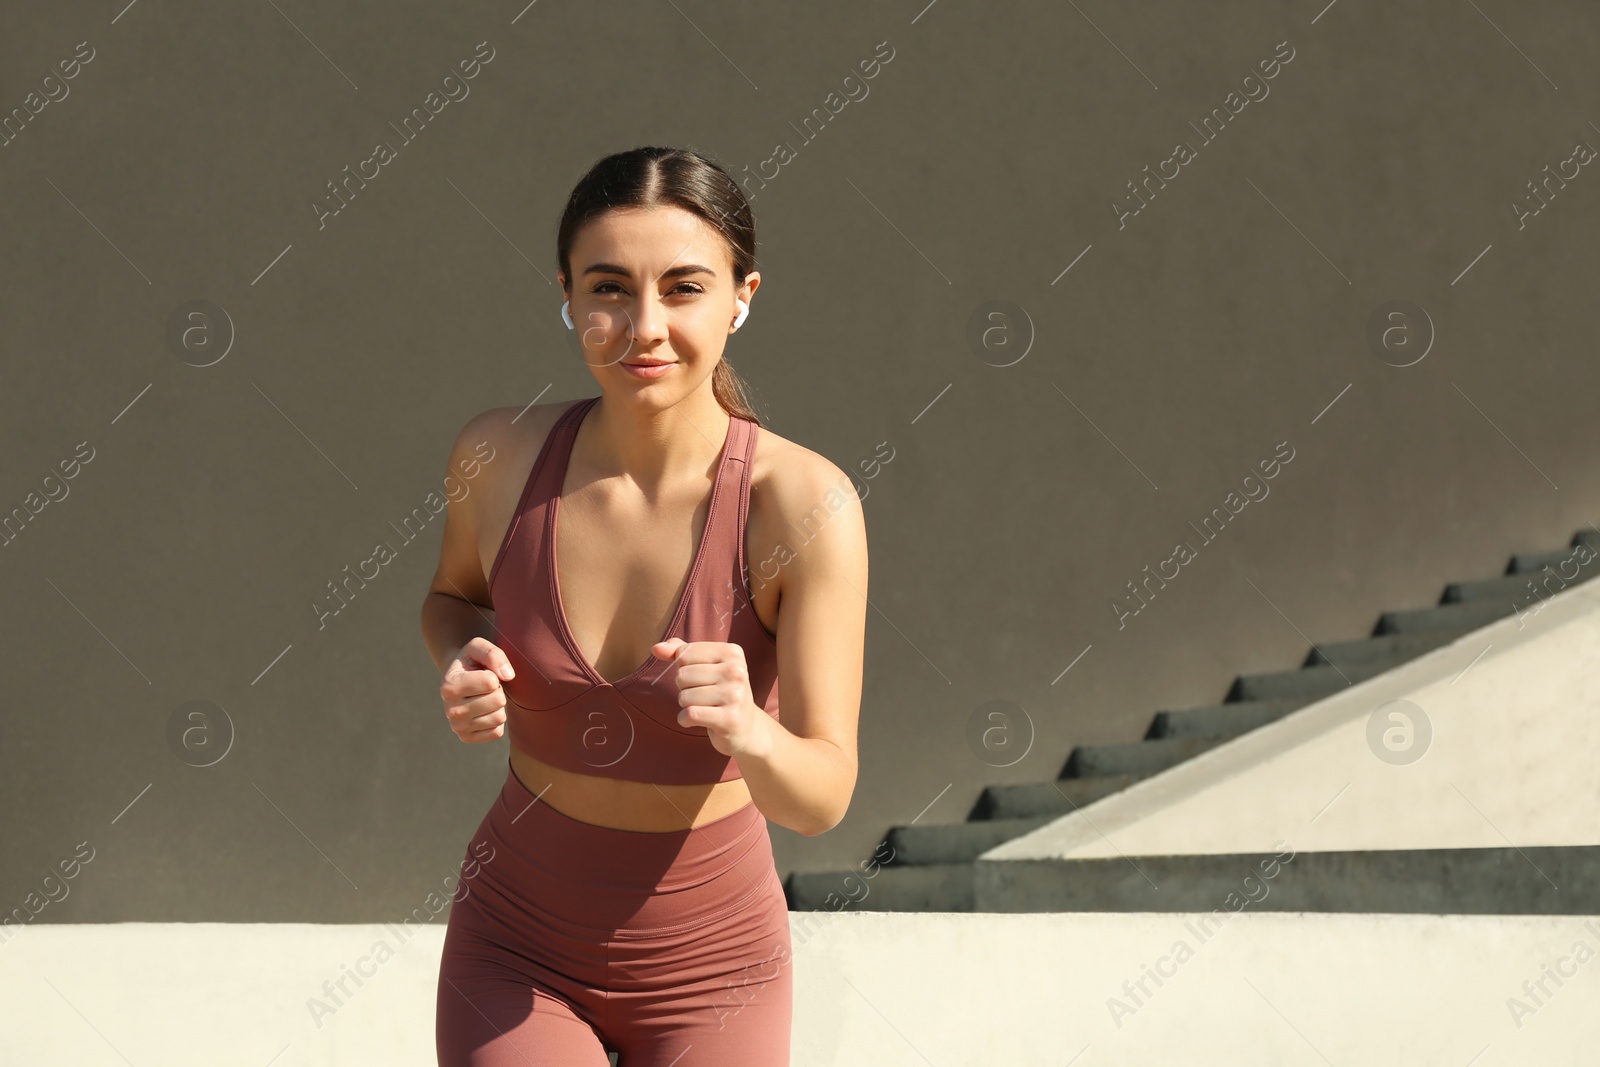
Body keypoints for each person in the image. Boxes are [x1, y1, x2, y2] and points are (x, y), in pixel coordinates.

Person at [420, 146, 868, 1066]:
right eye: (610, 289)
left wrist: (750, 728)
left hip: (714, 967)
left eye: (685, 287)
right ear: (568, 296)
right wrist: (462, 656)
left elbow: (822, 794)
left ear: (743, 295)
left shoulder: (803, 504)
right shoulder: (496, 456)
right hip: (516, 944)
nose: (644, 326)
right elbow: (450, 599)